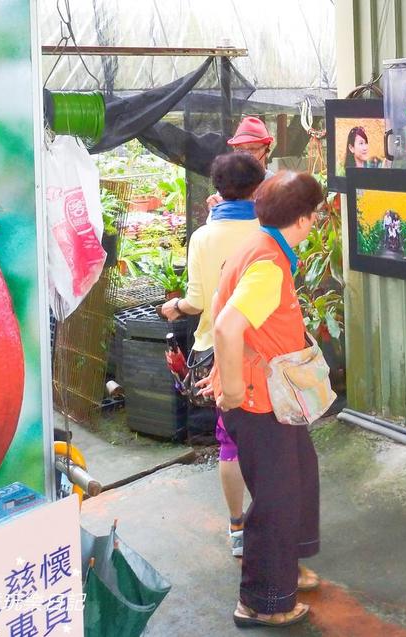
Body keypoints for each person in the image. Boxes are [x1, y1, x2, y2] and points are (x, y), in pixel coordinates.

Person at [207, 171, 324, 628]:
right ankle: (263, 601)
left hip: (276, 397)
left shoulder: (259, 246)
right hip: (259, 402)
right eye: (313, 216)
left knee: (300, 476)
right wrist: (233, 388)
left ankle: (287, 565)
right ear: (302, 218)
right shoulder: (268, 264)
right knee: (276, 498)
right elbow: (227, 326)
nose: (314, 222)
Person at [161, 152, 266, 558]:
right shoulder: (267, 229)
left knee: (231, 442)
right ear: (258, 187)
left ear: (216, 189)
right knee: (268, 435)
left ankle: (237, 527)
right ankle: (270, 520)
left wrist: (175, 308)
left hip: (220, 352)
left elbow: (197, 300)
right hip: (263, 347)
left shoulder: (204, 236)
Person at [205, 116, 274, 212]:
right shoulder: (230, 180)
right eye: (240, 149)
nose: (245, 155)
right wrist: (215, 205)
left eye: (252, 149)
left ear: (266, 150)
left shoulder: (277, 187)